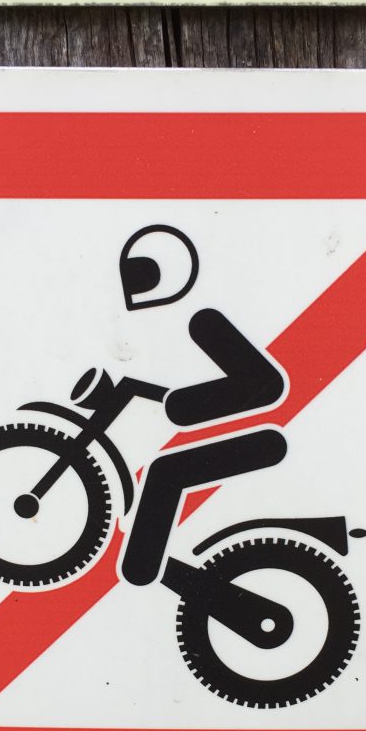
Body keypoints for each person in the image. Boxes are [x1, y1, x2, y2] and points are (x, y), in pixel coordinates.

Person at [117, 226, 289, 587]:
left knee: (164, 473)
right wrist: (173, 403)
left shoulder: (204, 323)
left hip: (264, 441)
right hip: (259, 435)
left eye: (141, 279)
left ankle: (144, 569)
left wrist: (178, 405)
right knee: (163, 472)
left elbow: (265, 385)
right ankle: (151, 569)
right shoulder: (192, 324)